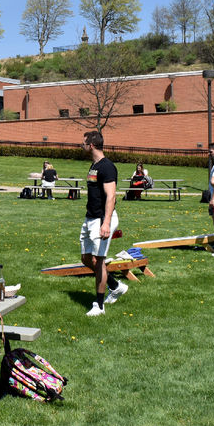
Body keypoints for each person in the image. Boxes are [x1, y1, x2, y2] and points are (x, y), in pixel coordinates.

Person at [79, 131, 126, 316]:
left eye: (83, 142)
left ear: (91, 144)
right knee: (85, 258)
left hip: (101, 220)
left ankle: (99, 306)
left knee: (99, 261)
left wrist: (105, 223)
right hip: (90, 218)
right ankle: (115, 285)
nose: (81, 145)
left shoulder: (107, 167)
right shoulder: (94, 165)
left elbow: (111, 196)